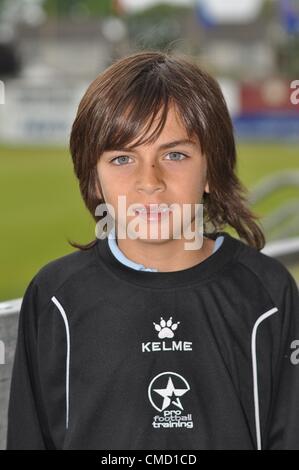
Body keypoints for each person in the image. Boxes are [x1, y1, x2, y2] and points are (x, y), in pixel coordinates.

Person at [6, 50, 299, 450]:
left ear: (211, 168)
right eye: (123, 158)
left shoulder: (267, 293)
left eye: (174, 154)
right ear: (94, 178)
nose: (150, 181)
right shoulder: (56, 297)